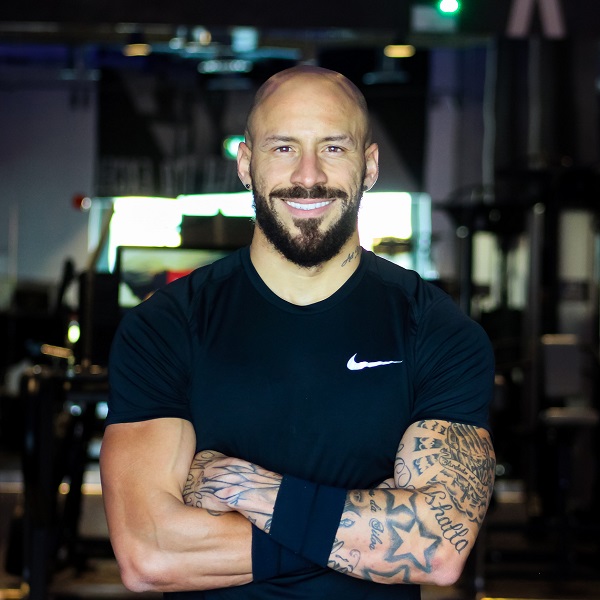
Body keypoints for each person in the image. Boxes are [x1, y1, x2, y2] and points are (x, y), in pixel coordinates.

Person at [99, 65, 496, 599]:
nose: (308, 175)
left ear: (370, 165)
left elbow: (438, 551)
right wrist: (366, 533)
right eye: (283, 148)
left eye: (333, 148)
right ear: (246, 163)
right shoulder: (166, 327)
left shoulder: (437, 332)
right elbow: (150, 553)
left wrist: (245, 488)